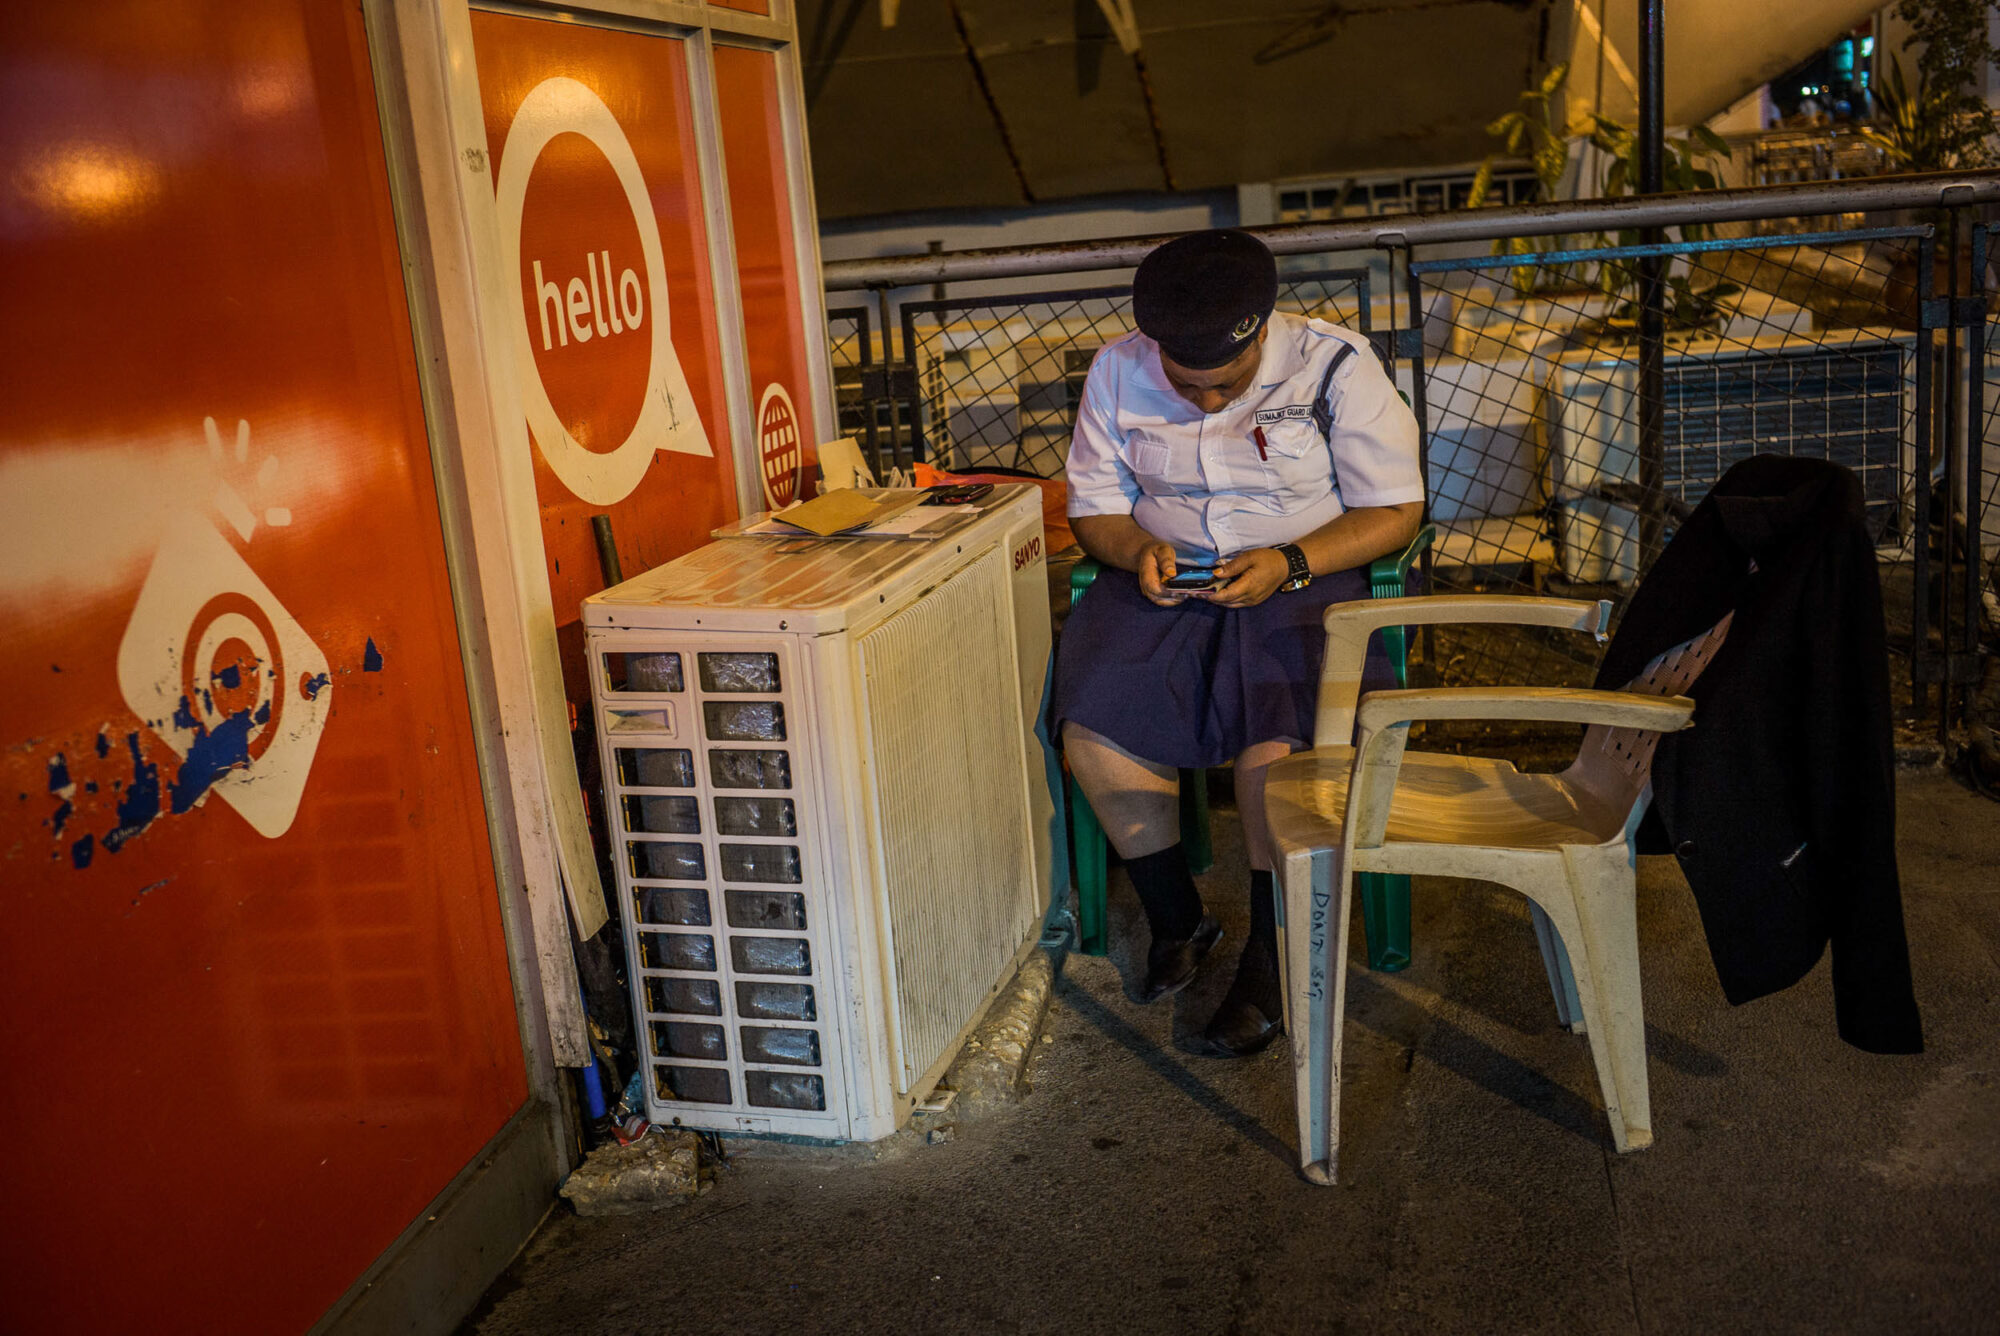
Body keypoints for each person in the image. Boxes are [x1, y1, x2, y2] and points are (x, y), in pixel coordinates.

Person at [1052, 228, 1425, 1057]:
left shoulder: (1335, 364)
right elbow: (1094, 507)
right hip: (1170, 576)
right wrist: (1131, 550)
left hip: (1307, 572)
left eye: (1226, 385)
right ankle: (1176, 913)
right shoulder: (1117, 370)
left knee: (1273, 755)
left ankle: (1271, 951)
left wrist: (1292, 559)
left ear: (1261, 332)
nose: (1209, 404)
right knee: (1097, 726)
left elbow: (1397, 510)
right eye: (1187, 388)